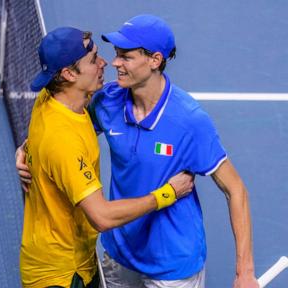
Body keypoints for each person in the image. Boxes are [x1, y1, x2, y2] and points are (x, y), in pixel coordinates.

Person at [17, 15, 259, 287]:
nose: (114, 62)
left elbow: (235, 189)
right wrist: (28, 148)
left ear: (155, 60)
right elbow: (60, 128)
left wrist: (245, 272)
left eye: (126, 57)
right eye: (116, 54)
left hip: (171, 267)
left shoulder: (189, 122)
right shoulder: (106, 102)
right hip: (119, 255)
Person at [19, 26, 194, 288]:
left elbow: (44, 143)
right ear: (67, 74)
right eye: (93, 60)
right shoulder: (63, 141)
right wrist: (166, 194)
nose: (105, 63)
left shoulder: (49, 98)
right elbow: (101, 217)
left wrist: (25, 151)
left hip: (73, 259)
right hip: (61, 276)